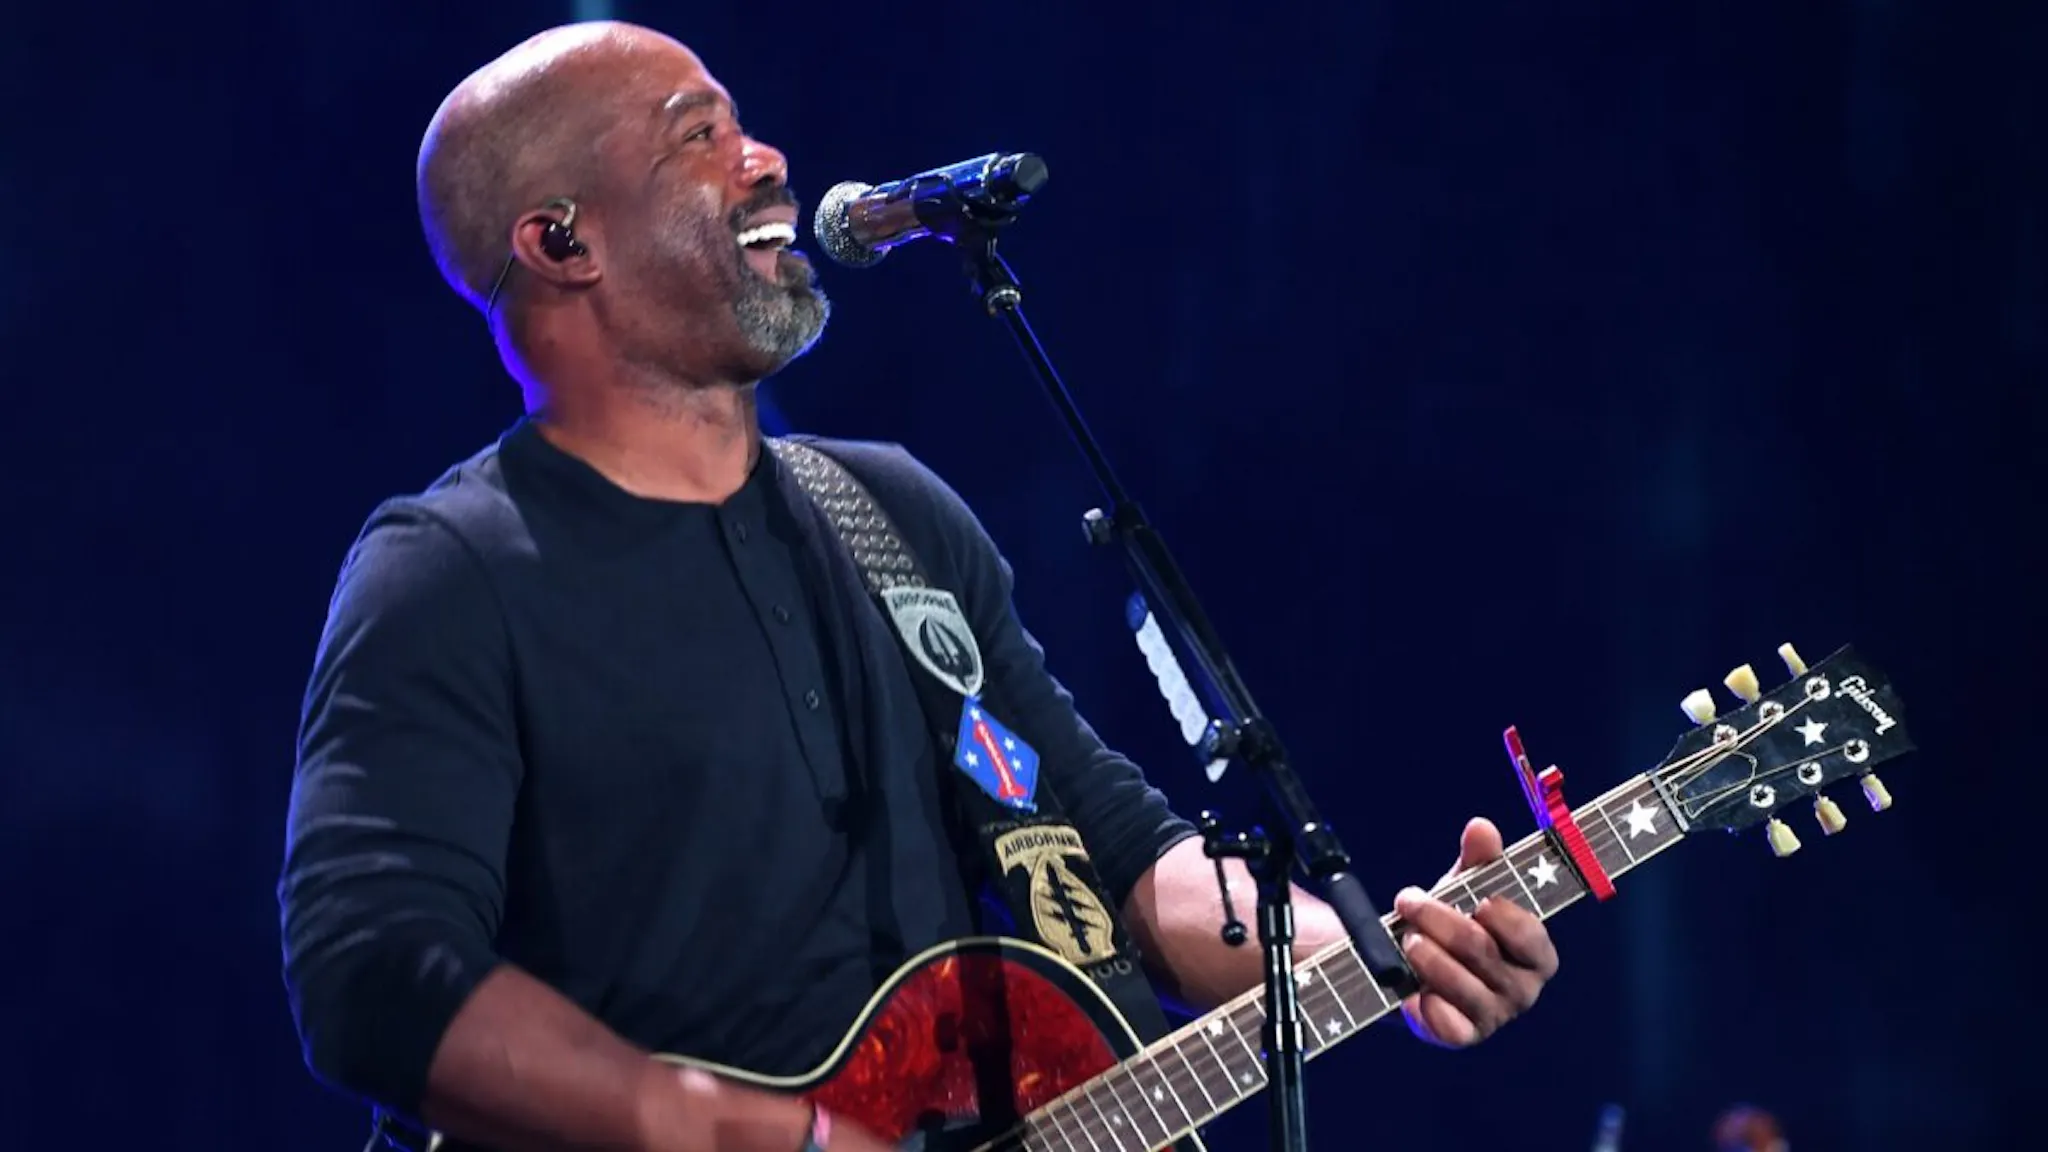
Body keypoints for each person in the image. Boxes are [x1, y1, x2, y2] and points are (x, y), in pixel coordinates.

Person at [277, 20, 1560, 1152]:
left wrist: (1376, 956)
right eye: (697, 136)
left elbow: (1111, 849)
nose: (766, 158)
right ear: (561, 240)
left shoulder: (884, 512)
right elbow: (375, 975)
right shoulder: (447, 573)